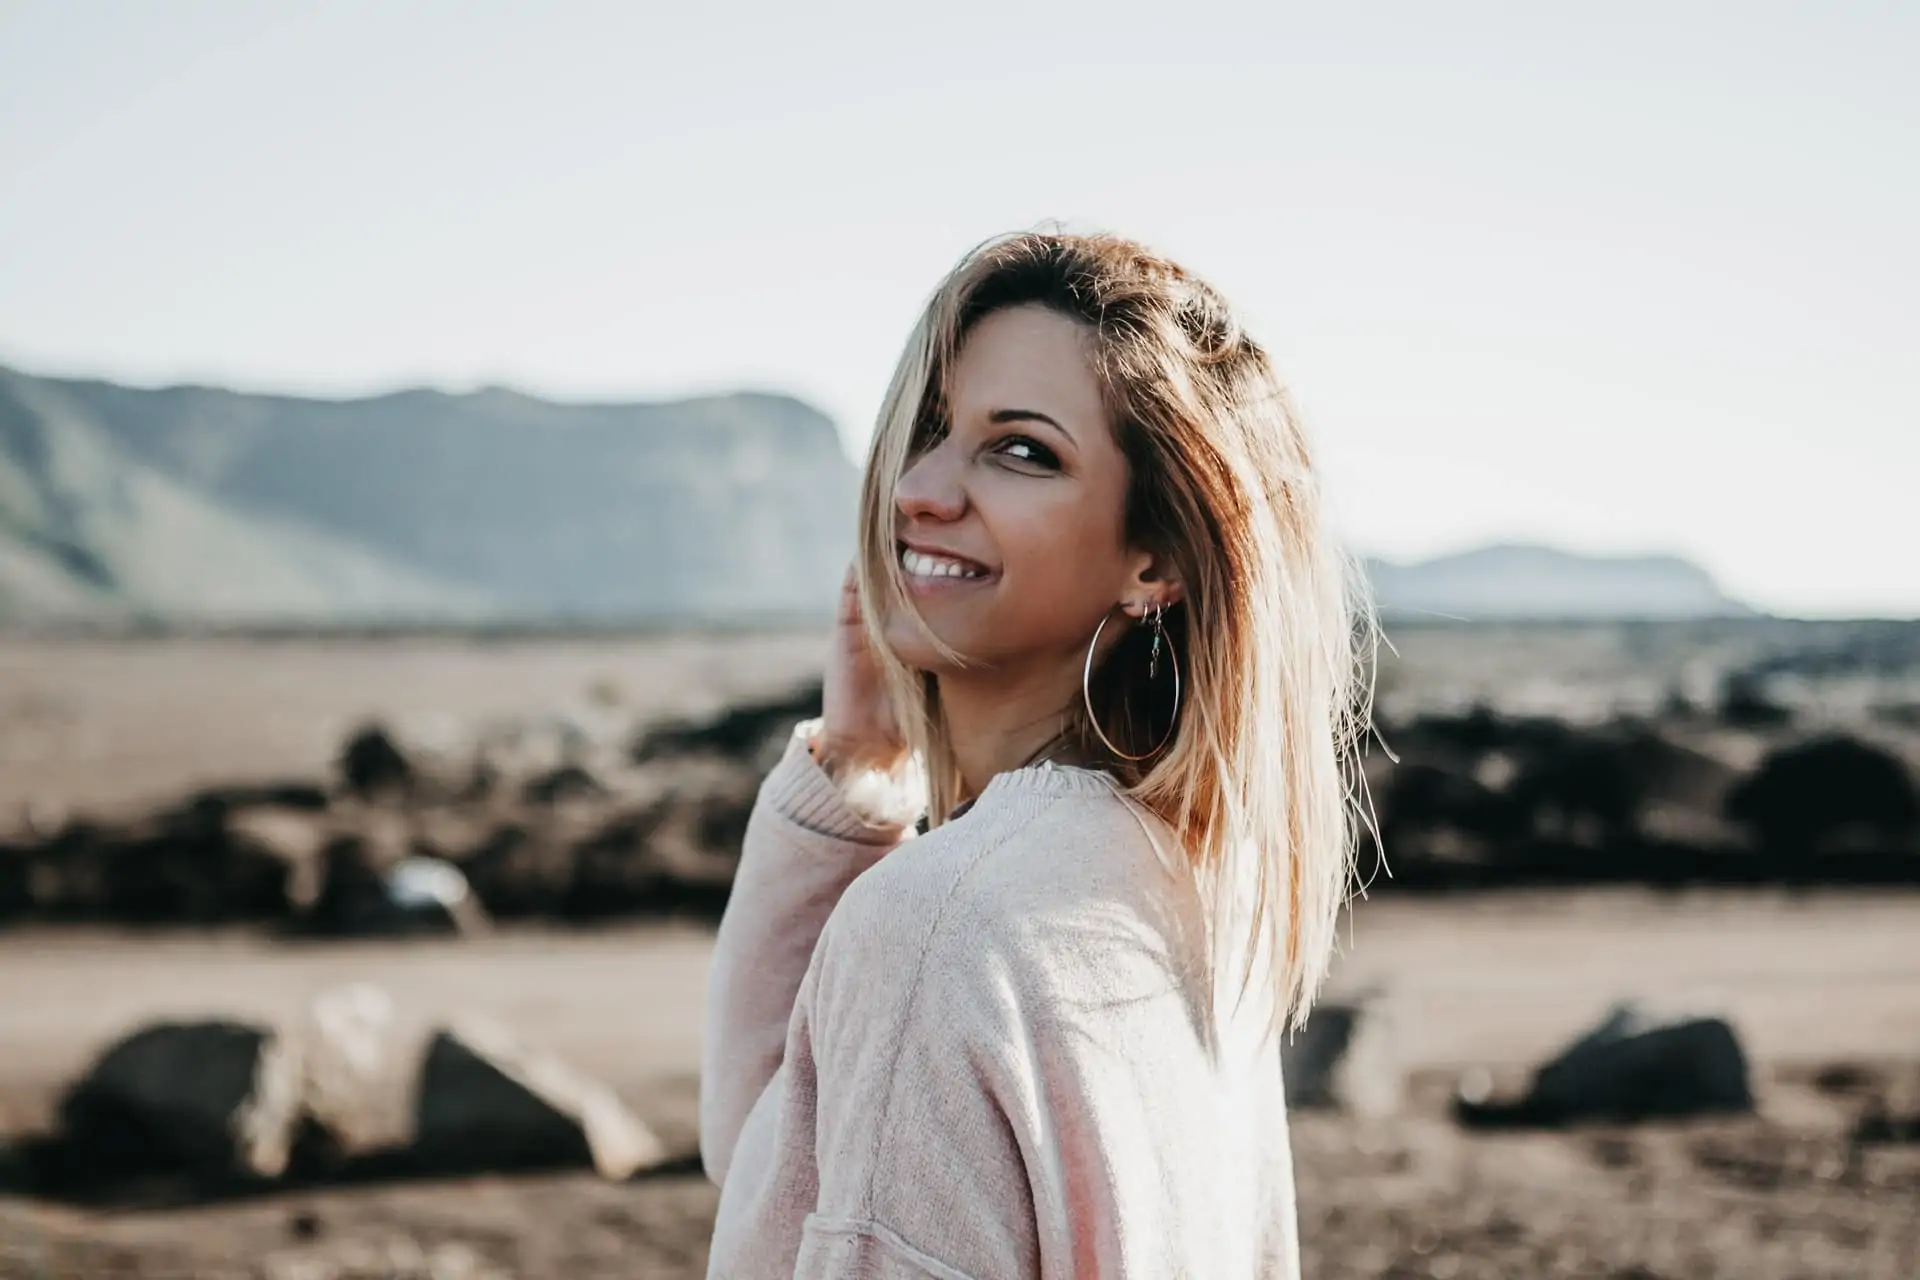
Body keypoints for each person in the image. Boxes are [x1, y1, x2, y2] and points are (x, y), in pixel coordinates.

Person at [700, 229, 1377, 1277]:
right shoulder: (1188, 886)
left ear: (1155, 558)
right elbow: (780, 1168)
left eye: (1022, 449)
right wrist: (857, 762)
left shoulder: (944, 923)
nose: (920, 487)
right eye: (930, 427)